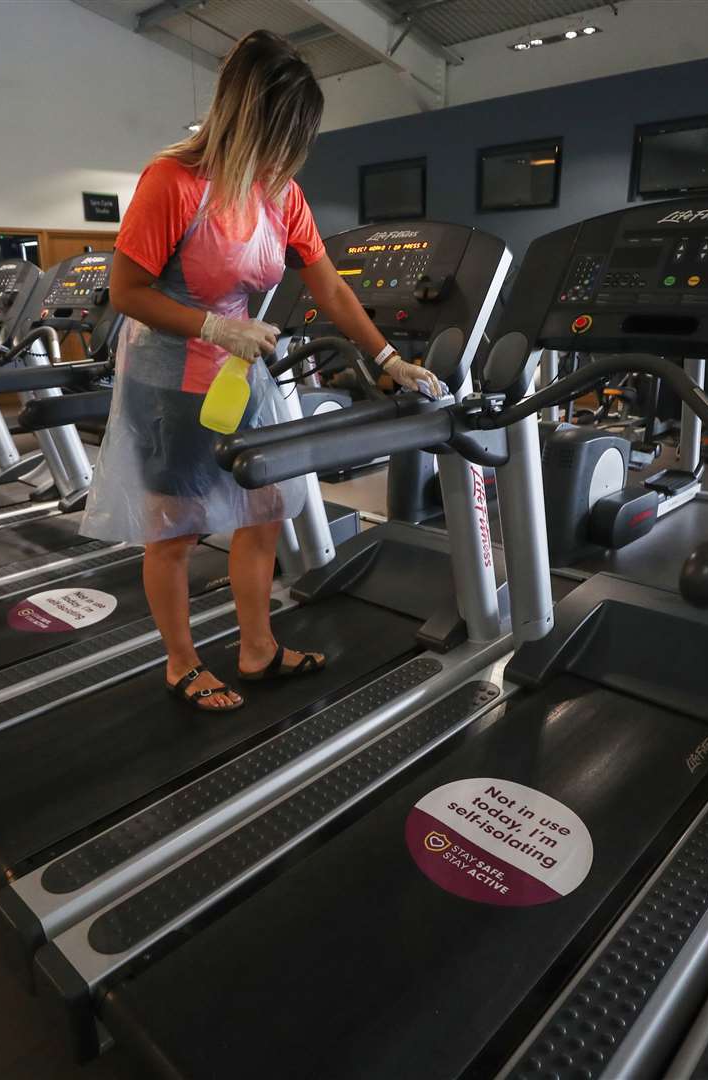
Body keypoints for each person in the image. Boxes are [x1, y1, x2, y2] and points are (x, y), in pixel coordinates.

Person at [83, 29, 443, 713]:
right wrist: (215, 325)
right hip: (169, 376)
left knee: (263, 510)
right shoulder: (174, 181)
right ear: (253, 122)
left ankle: (257, 649)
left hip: (241, 369)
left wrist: (388, 358)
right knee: (176, 529)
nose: (289, 156)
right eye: (284, 137)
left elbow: (333, 289)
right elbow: (127, 292)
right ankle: (181, 663)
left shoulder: (282, 194)